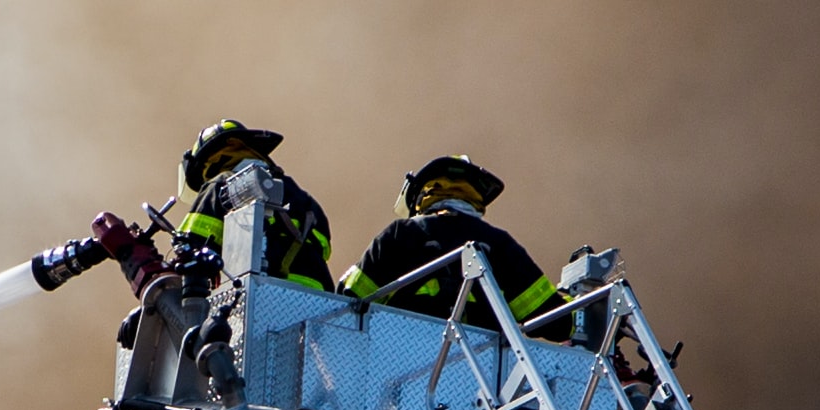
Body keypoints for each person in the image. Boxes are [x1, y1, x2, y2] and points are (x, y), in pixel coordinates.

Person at [352, 153, 562, 322]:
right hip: (480, 366)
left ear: (422, 195)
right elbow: (553, 320)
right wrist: (580, 301)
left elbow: (346, 302)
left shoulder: (401, 233)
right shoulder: (499, 243)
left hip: (397, 361)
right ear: (475, 196)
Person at [166, 116, 342, 291]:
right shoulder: (307, 202)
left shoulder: (222, 184)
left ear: (210, 161)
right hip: (319, 301)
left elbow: (189, 248)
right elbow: (323, 252)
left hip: (262, 293)